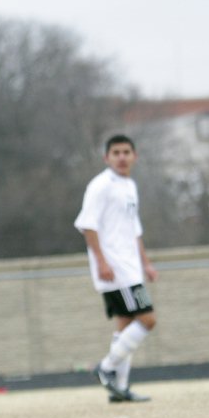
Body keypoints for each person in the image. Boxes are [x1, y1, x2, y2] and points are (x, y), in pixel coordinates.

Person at [74, 134, 157, 403]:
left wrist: (145, 262)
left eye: (126, 152)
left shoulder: (129, 185)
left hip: (130, 267)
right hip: (115, 269)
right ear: (106, 158)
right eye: (116, 152)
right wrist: (101, 261)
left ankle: (120, 388)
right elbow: (88, 224)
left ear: (135, 156)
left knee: (125, 325)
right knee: (147, 320)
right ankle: (106, 368)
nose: (122, 157)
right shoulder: (101, 186)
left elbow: (135, 229)